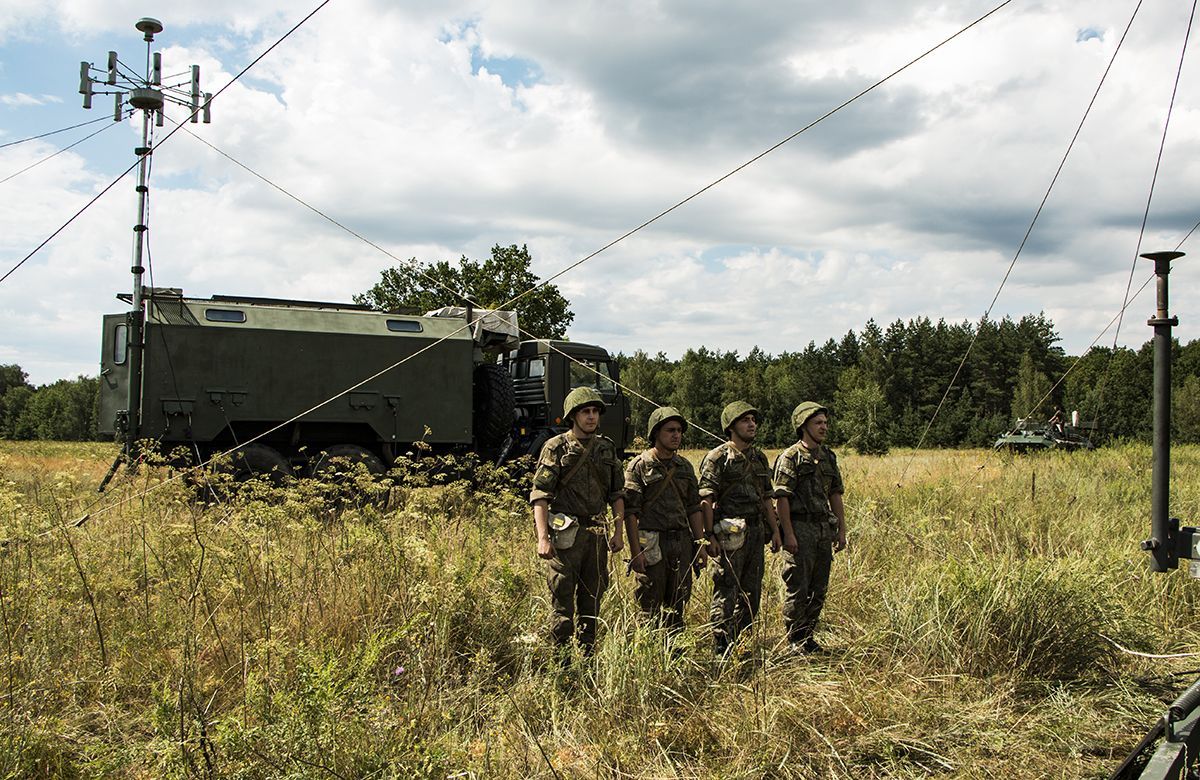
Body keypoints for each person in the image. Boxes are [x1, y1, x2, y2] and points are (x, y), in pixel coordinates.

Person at [530, 387, 625, 656]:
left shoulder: (606, 448)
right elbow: (540, 495)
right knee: (562, 603)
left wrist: (618, 532)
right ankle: (561, 663)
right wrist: (542, 538)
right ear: (573, 416)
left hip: (596, 534)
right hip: (565, 535)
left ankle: (588, 658)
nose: (592, 417)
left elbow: (617, 495)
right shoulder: (556, 447)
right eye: (586, 412)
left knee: (592, 601)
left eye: (595, 412)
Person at [699, 401, 785, 657]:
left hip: (757, 533)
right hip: (730, 534)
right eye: (745, 420)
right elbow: (706, 498)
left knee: (752, 594)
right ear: (731, 426)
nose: (752, 424)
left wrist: (776, 531)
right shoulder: (718, 457)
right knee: (726, 589)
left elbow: (767, 499)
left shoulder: (759, 457)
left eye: (753, 420)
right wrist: (709, 535)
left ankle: (737, 638)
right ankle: (720, 645)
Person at [623, 406, 708, 633]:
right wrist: (635, 551)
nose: (676, 435)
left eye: (679, 430)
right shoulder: (639, 466)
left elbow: (694, 508)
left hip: (681, 542)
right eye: (670, 430)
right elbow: (630, 513)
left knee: (678, 602)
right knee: (649, 603)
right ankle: (650, 655)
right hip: (652, 543)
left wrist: (700, 545)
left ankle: (675, 653)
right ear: (656, 433)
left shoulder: (685, 467)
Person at [772, 402, 847, 653]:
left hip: (823, 528)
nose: (824, 427)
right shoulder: (790, 457)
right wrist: (789, 533)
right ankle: (794, 640)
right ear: (803, 426)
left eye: (825, 422)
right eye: (818, 423)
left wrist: (842, 530)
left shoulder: (828, 456)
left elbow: (835, 494)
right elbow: (781, 497)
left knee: (819, 588)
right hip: (800, 527)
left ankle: (808, 636)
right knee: (798, 587)